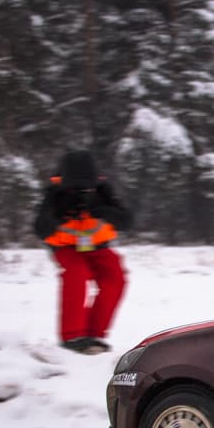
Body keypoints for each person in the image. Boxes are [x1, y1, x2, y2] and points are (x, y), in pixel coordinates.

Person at [33, 150, 133, 354]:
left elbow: (126, 221)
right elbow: (40, 228)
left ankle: (93, 335)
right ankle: (72, 336)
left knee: (116, 279)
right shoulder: (54, 193)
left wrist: (104, 211)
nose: (81, 191)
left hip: (98, 247)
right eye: (74, 188)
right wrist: (58, 217)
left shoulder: (103, 190)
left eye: (86, 187)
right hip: (66, 248)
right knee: (76, 275)